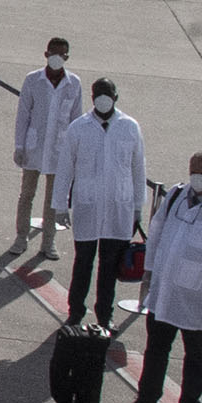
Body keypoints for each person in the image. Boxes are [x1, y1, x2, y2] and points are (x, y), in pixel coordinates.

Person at [125, 152, 202, 403]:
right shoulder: (176, 196)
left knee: (195, 355)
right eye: (194, 171)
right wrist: (149, 272)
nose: (197, 177)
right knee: (156, 349)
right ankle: (146, 398)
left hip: (198, 297)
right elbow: (156, 234)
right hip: (165, 292)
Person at [58, 79, 146, 329]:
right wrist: (60, 204)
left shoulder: (129, 127)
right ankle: (75, 311)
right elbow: (65, 168)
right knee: (83, 263)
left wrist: (138, 207)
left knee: (109, 268)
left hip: (119, 208)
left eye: (108, 94)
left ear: (116, 97)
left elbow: (138, 169)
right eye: (99, 94)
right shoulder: (79, 128)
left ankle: (104, 317)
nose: (103, 99)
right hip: (87, 206)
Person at [11, 36, 81, 256]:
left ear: (67, 57)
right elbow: (23, 115)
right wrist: (20, 146)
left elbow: (76, 121)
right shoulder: (33, 80)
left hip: (59, 152)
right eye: (53, 53)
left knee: (54, 199)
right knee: (27, 195)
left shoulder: (74, 84)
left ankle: (48, 242)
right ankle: (21, 238)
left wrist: (74, 155)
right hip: (33, 148)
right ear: (46, 54)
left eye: (61, 54)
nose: (56, 58)